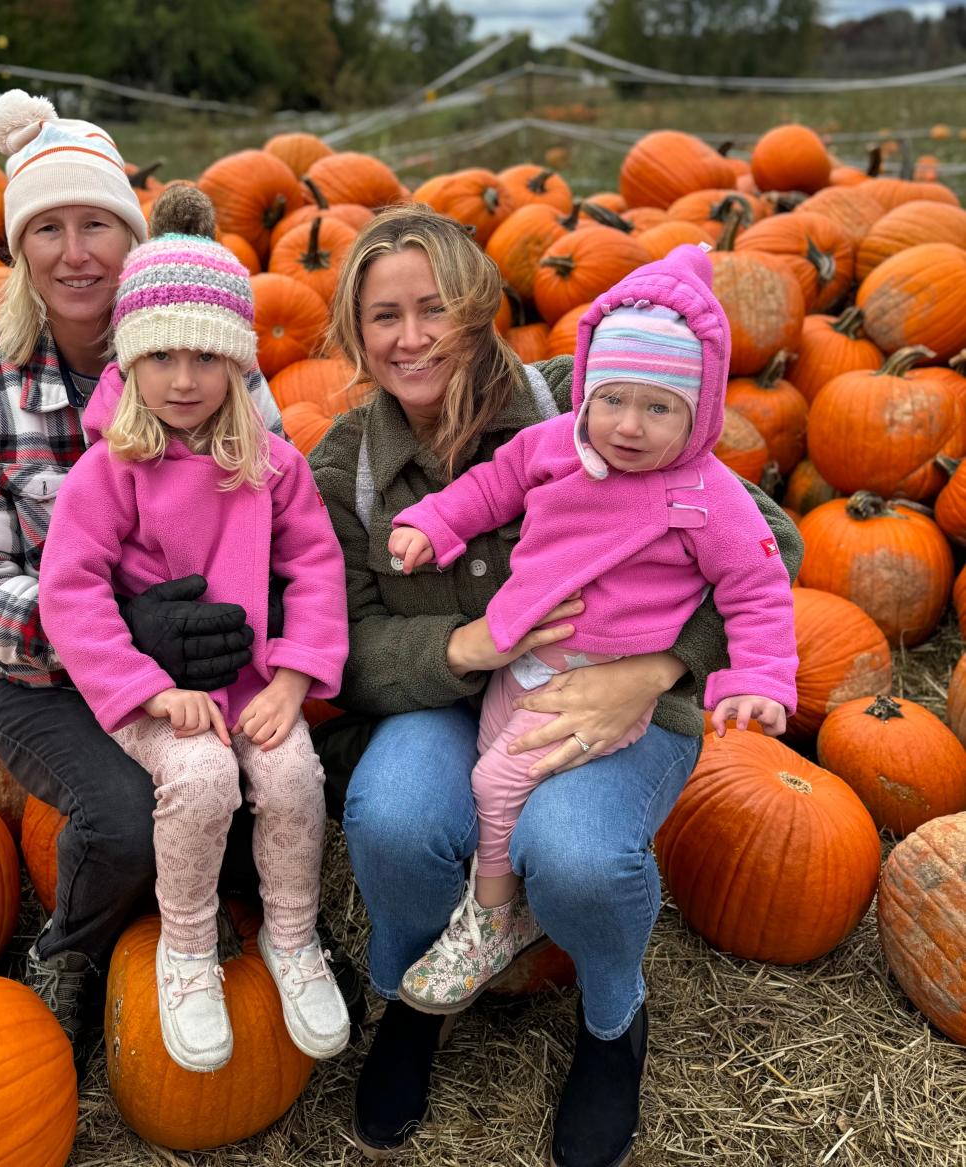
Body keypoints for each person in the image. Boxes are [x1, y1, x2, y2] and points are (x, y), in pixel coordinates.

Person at [307, 206, 802, 1167]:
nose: (411, 338)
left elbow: (766, 545)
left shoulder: (598, 393)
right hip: (455, 699)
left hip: (615, 698)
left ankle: (612, 1022)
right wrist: (468, 647)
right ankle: (416, 994)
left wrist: (657, 668)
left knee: (575, 856)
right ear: (353, 334)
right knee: (395, 816)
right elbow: (348, 650)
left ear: (482, 310)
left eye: (436, 307)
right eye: (383, 316)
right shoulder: (346, 467)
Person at [0, 89, 297, 1073]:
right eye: (49, 228)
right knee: (125, 818)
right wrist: (116, 630)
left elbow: (281, 506)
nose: (76, 251)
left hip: (207, 655)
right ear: (20, 248)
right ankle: (75, 949)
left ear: (133, 237)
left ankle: (270, 930)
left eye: (98, 224)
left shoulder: (212, 362)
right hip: (44, 681)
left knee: (266, 776)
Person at [387, 243, 797, 1015]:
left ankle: (492, 918)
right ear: (585, 389)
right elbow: (489, 487)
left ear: (698, 411)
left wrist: (761, 678)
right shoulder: (554, 446)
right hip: (525, 658)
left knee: (494, 779)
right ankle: (513, 890)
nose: (630, 426)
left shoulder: (708, 495)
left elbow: (759, 585)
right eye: (612, 399)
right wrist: (434, 524)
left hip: (613, 679)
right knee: (493, 766)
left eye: (659, 408)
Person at [36, 228, 352, 1072]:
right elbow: (71, 596)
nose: (184, 379)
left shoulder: (270, 465)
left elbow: (315, 569)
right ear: (131, 362)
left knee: (291, 772)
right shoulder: (106, 473)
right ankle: (185, 945)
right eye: (163, 356)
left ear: (237, 367)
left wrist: (291, 678)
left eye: (208, 358)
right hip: (155, 693)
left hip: (249, 683)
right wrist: (145, 687)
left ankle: (290, 933)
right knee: (202, 777)